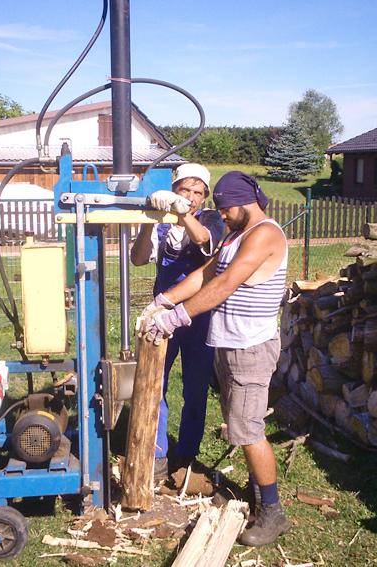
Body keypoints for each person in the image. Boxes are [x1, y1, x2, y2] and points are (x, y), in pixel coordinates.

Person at [138, 171, 290, 547]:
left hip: (251, 347)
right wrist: (164, 300)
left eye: (225, 209)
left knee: (248, 430)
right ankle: (257, 495)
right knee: (239, 423)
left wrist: (177, 317)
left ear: (244, 203)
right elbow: (207, 273)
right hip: (230, 345)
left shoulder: (265, 234)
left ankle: (272, 512)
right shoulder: (238, 234)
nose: (220, 215)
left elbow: (225, 284)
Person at [131, 163, 225, 481]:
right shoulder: (162, 225)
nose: (191, 196)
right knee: (155, 382)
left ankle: (187, 455)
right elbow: (138, 259)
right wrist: (149, 221)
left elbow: (204, 242)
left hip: (199, 318)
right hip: (162, 316)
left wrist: (183, 213)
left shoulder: (210, 219)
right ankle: (158, 455)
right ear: (174, 190)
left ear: (204, 196)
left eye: (198, 192)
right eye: (185, 190)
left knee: (195, 389)